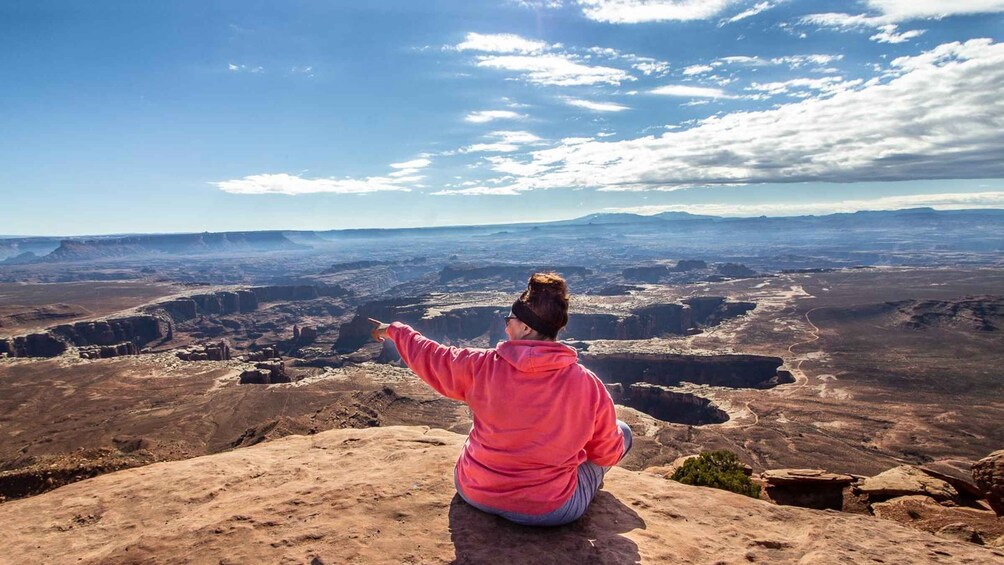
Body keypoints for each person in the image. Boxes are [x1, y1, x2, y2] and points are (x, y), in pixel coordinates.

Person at [368, 272, 632, 527]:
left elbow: (432, 356)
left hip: (475, 492)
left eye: (510, 319)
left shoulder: (480, 365)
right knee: (623, 433)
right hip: (548, 511)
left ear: (526, 327)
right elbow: (606, 452)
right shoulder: (587, 385)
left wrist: (395, 330)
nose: (506, 326)